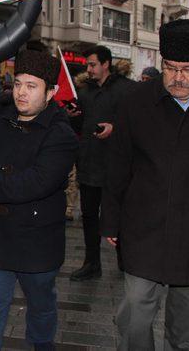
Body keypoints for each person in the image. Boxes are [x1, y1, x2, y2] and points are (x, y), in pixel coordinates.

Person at [101, 19, 189, 350]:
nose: (177, 78)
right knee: (133, 315)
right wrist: (111, 220)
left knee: (187, 329)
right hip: (143, 231)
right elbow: (119, 165)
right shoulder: (137, 101)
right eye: (170, 67)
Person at [0, 49, 78, 351]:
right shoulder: (4, 120)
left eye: (31, 86)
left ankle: (42, 346)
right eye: (18, 84)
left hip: (37, 242)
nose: (21, 93)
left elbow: (38, 182)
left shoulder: (61, 134)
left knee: (40, 307)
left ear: (51, 92)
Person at [66, 45, 135, 281]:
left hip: (116, 165)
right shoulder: (84, 92)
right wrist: (73, 116)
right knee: (88, 216)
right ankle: (92, 263)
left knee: (121, 215)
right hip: (88, 163)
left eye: (93, 64)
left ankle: (125, 260)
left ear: (106, 64)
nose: (89, 69)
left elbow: (139, 124)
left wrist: (114, 128)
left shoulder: (127, 90)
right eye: (88, 65)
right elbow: (78, 126)